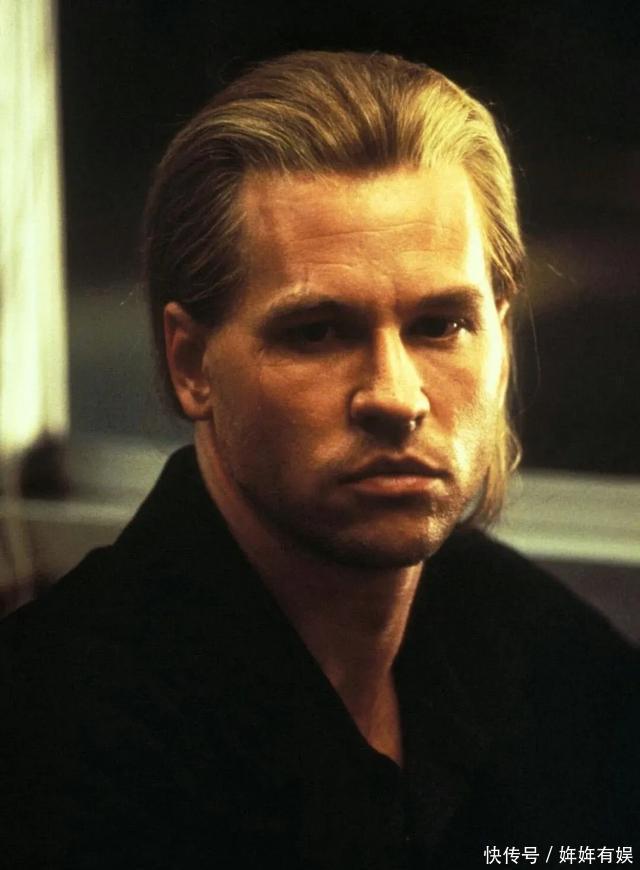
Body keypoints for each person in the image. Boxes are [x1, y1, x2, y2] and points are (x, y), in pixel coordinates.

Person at [1, 51, 637, 869]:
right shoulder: (49, 738)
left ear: (502, 337)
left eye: (441, 325)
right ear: (192, 365)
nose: (396, 396)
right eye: (317, 332)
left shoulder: (541, 649)